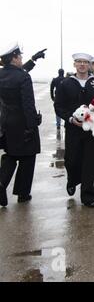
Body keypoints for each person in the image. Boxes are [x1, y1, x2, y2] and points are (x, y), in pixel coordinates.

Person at [54, 53, 94, 208]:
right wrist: (70, 118)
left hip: (91, 128)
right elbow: (58, 106)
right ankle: (72, 180)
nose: (82, 64)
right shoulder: (66, 83)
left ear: (89, 65)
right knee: (72, 159)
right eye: (79, 62)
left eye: (85, 62)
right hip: (73, 128)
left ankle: (89, 195)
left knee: (90, 161)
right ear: (74, 64)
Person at [0, 42, 41, 207]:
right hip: (23, 123)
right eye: (20, 56)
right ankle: (23, 194)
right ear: (14, 58)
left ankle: (1, 183)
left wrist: (33, 60)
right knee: (28, 156)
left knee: (11, 154)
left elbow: (15, 74)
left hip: (6, 123)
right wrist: (32, 125)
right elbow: (28, 104)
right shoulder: (24, 77)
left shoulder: (2, 75)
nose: (22, 59)